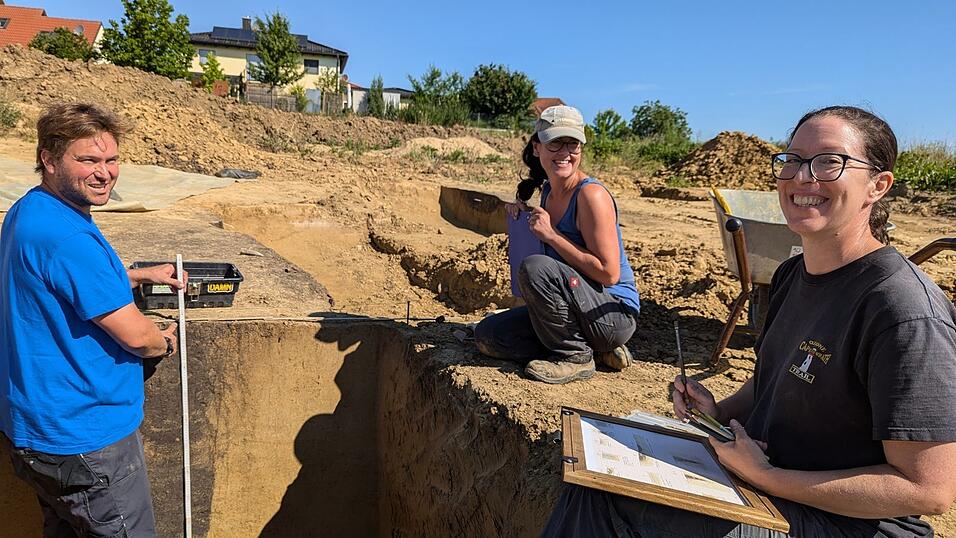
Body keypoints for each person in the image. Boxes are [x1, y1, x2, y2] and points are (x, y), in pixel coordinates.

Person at [541, 106, 956, 536]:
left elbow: (928, 489)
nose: (801, 177)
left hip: (845, 523)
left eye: (829, 161)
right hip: (771, 481)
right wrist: (718, 412)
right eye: (792, 159)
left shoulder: (902, 310)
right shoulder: (792, 275)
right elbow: (773, 381)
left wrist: (768, 477)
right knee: (592, 484)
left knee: (617, 506)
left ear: (878, 185)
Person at [0, 103, 186, 537]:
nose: (104, 173)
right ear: (49, 159)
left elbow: (57, 278)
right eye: (87, 160)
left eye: (111, 160)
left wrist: (136, 275)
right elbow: (138, 339)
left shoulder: (32, 210)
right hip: (85, 440)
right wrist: (164, 341)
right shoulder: (67, 236)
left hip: (36, 430)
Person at [474, 105, 641, 384]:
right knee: (490, 335)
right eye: (555, 144)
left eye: (572, 144)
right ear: (537, 148)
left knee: (536, 268)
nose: (564, 153)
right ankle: (598, 351)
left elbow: (608, 273)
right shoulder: (549, 191)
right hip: (579, 309)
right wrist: (524, 220)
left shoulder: (591, 196)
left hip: (612, 313)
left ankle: (576, 357)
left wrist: (551, 235)